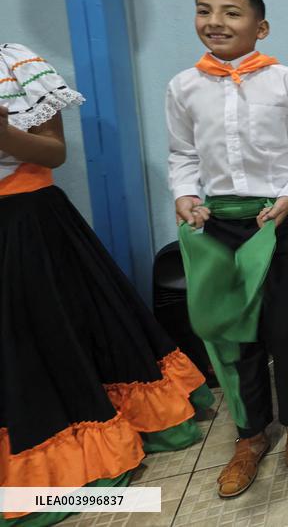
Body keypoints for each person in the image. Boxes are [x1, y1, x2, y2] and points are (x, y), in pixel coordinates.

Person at [0, 43, 211, 525]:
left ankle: (69, 470)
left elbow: (55, 151)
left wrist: (4, 132)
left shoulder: (12, 63)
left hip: (26, 223)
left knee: (44, 341)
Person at [167, 0, 288, 499]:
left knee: (284, 330)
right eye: (205, 10)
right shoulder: (182, 87)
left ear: (259, 27)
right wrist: (185, 194)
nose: (216, 21)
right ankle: (249, 434)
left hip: (281, 218)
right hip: (220, 224)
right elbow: (183, 155)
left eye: (231, 12)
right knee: (235, 334)